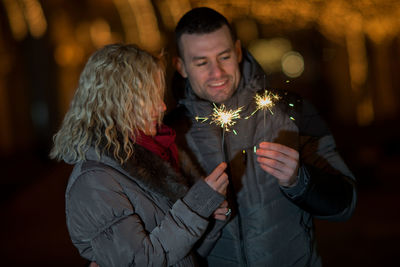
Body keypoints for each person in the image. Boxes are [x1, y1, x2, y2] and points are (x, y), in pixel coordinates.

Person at [165, 7, 357, 267]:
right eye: (202, 62)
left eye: (224, 57)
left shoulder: (291, 110)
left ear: (238, 51)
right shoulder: (169, 134)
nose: (217, 73)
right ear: (181, 66)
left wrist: (300, 180)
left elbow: (345, 204)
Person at [50, 43, 231, 266]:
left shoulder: (160, 154)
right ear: (119, 101)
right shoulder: (95, 181)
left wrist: (210, 219)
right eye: (151, 97)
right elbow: (138, 261)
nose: (163, 106)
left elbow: (185, 256)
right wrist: (194, 208)